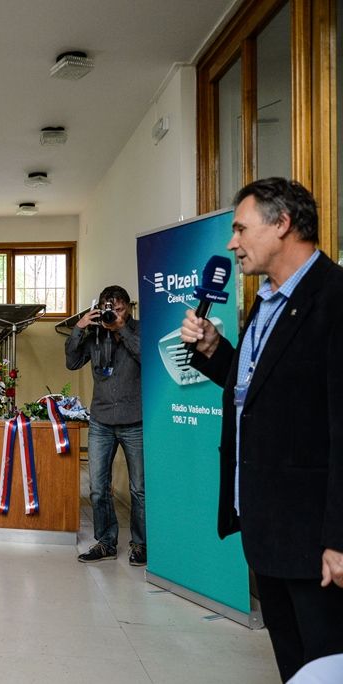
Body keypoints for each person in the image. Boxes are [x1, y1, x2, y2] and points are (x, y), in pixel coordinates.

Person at [179, 177, 343, 682]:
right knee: (295, 668)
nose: (232, 243)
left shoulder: (335, 298)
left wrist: (339, 539)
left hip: (317, 541)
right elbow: (258, 391)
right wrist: (212, 349)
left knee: (328, 666)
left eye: (240, 228)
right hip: (267, 528)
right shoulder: (265, 300)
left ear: (282, 224)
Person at [65, 284, 145, 566]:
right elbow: (72, 362)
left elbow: (147, 357)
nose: (114, 314)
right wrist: (80, 327)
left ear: (128, 308)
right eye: (109, 310)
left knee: (139, 489)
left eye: (120, 309)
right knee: (98, 488)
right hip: (101, 420)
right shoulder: (95, 332)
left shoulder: (139, 330)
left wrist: (121, 329)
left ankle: (141, 544)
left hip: (135, 420)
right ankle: (106, 543)